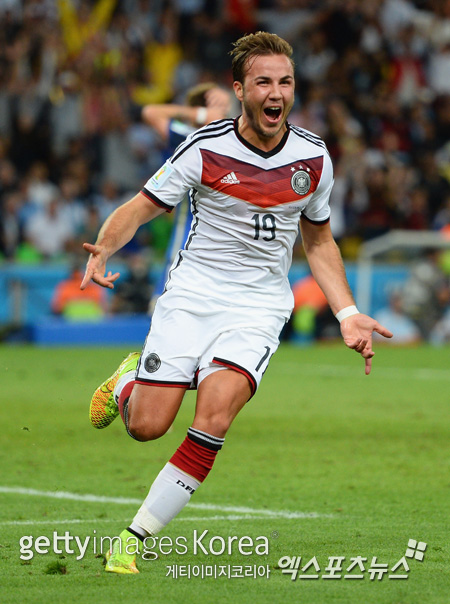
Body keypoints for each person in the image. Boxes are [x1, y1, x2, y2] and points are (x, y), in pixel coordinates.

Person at [81, 32, 393, 575]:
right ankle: (127, 383)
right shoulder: (204, 147)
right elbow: (143, 205)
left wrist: (346, 312)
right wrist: (103, 249)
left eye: (286, 82)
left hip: (258, 308)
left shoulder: (314, 159)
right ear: (241, 90)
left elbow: (318, 241)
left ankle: (132, 541)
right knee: (148, 426)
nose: (277, 92)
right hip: (193, 295)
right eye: (264, 82)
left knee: (215, 414)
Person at [141, 82, 233, 310]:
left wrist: (226, 99)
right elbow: (149, 112)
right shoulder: (190, 139)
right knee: (171, 311)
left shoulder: (236, 143)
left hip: (222, 249)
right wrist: (202, 113)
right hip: (189, 245)